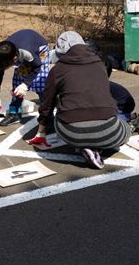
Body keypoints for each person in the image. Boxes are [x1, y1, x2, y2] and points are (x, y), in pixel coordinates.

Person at [28, 31, 131, 169]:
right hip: (109, 132)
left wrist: (41, 131)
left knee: (62, 107)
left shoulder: (57, 70)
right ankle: (98, 147)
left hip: (71, 133)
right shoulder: (100, 63)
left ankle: (86, 146)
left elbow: (47, 104)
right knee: (125, 128)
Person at [0, 29, 51, 127]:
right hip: (21, 49)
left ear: (14, 59)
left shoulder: (26, 52)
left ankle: (47, 115)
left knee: (40, 82)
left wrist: (26, 84)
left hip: (39, 50)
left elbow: (37, 66)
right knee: (17, 82)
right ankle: (14, 113)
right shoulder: (3, 53)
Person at [102, 56, 139, 131]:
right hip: (113, 106)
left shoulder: (103, 87)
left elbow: (108, 108)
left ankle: (131, 119)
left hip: (123, 107)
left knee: (109, 124)